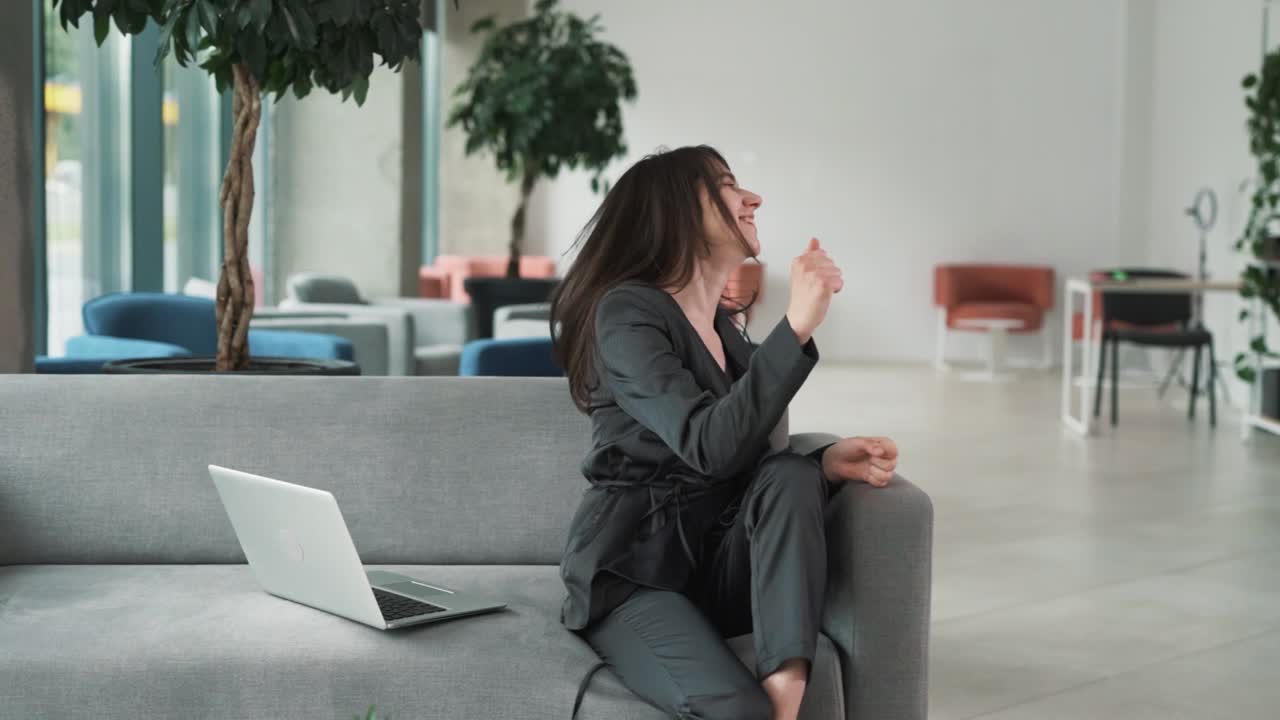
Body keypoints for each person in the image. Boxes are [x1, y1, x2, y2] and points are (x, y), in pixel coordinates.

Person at [550, 145, 900, 720]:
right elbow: (709, 444)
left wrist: (825, 463)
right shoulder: (627, 314)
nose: (753, 199)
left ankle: (785, 706)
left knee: (791, 472)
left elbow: (750, 462)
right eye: (728, 185)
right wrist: (797, 326)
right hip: (635, 574)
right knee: (738, 712)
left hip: (717, 568)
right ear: (675, 210)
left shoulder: (725, 332)